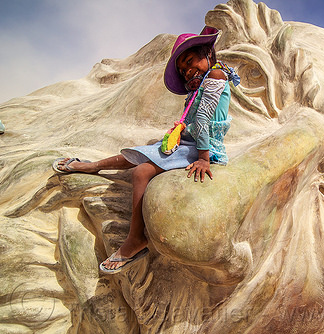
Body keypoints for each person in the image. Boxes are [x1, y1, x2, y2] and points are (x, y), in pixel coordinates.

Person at [52, 26, 240, 274]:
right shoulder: (202, 83)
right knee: (142, 152)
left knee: (141, 171)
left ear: (207, 53)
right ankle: (92, 166)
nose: (187, 71)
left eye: (190, 61)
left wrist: (204, 158)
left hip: (204, 149)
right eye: (183, 70)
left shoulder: (216, 76)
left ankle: (135, 240)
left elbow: (205, 119)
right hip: (189, 143)